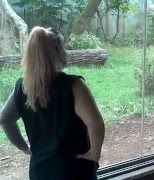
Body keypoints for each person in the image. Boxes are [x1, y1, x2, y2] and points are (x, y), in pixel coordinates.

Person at [0, 26, 105, 180]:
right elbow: (95, 123)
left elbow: (4, 119)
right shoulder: (74, 86)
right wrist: (94, 154)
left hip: (40, 171)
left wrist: (24, 147)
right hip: (74, 171)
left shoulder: (23, 88)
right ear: (58, 52)